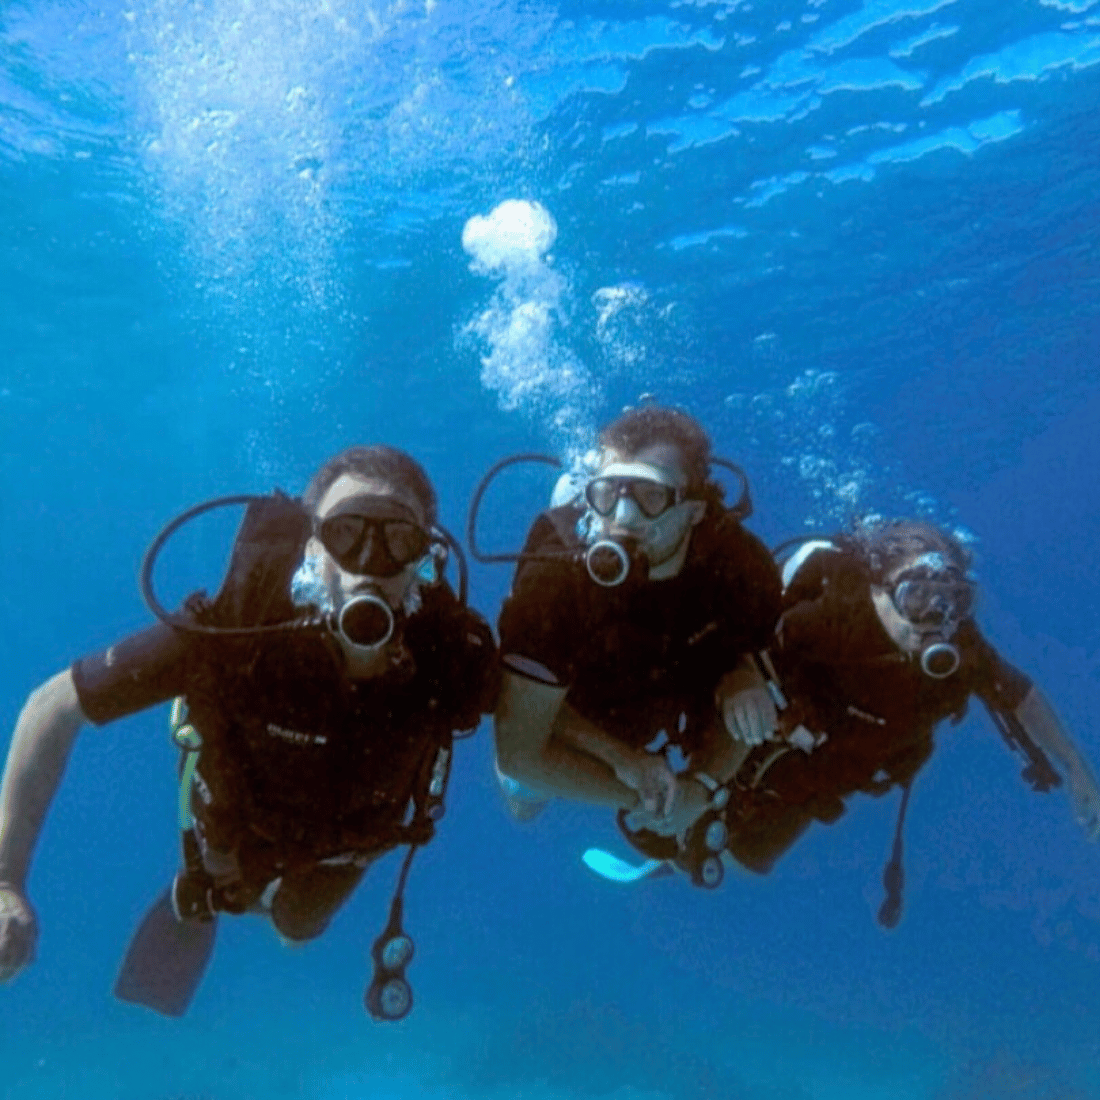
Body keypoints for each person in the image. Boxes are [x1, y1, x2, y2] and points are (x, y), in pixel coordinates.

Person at [0, 445, 497, 1018]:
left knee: (296, 931)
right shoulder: (235, 633)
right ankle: (201, 898)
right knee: (222, 890)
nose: (369, 562)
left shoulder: (456, 655)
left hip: (349, 848)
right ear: (313, 547)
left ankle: (260, 908)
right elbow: (52, 706)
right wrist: (8, 879)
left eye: (398, 540)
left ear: (425, 557)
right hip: (234, 828)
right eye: (346, 533)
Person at [718, 518, 1100, 924]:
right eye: (914, 595)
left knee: (744, 864)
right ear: (878, 589)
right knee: (700, 828)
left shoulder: (961, 644)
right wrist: (743, 682)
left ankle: (697, 852)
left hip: (828, 775)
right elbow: (744, 640)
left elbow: (1020, 695)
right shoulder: (831, 614)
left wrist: (1075, 765)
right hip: (761, 743)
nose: (934, 618)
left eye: (952, 599)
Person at [490, 404, 783, 871]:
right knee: (523, 796)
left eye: (650, 496)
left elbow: (752, 709)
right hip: (572, 701)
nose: (624, 518)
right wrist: (636, 781)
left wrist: (701, 784)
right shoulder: (554, 578)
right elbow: (521, 752)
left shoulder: (741, 569)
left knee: (755, 705)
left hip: (679, 677)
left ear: (693, 510)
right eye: (607, 493)